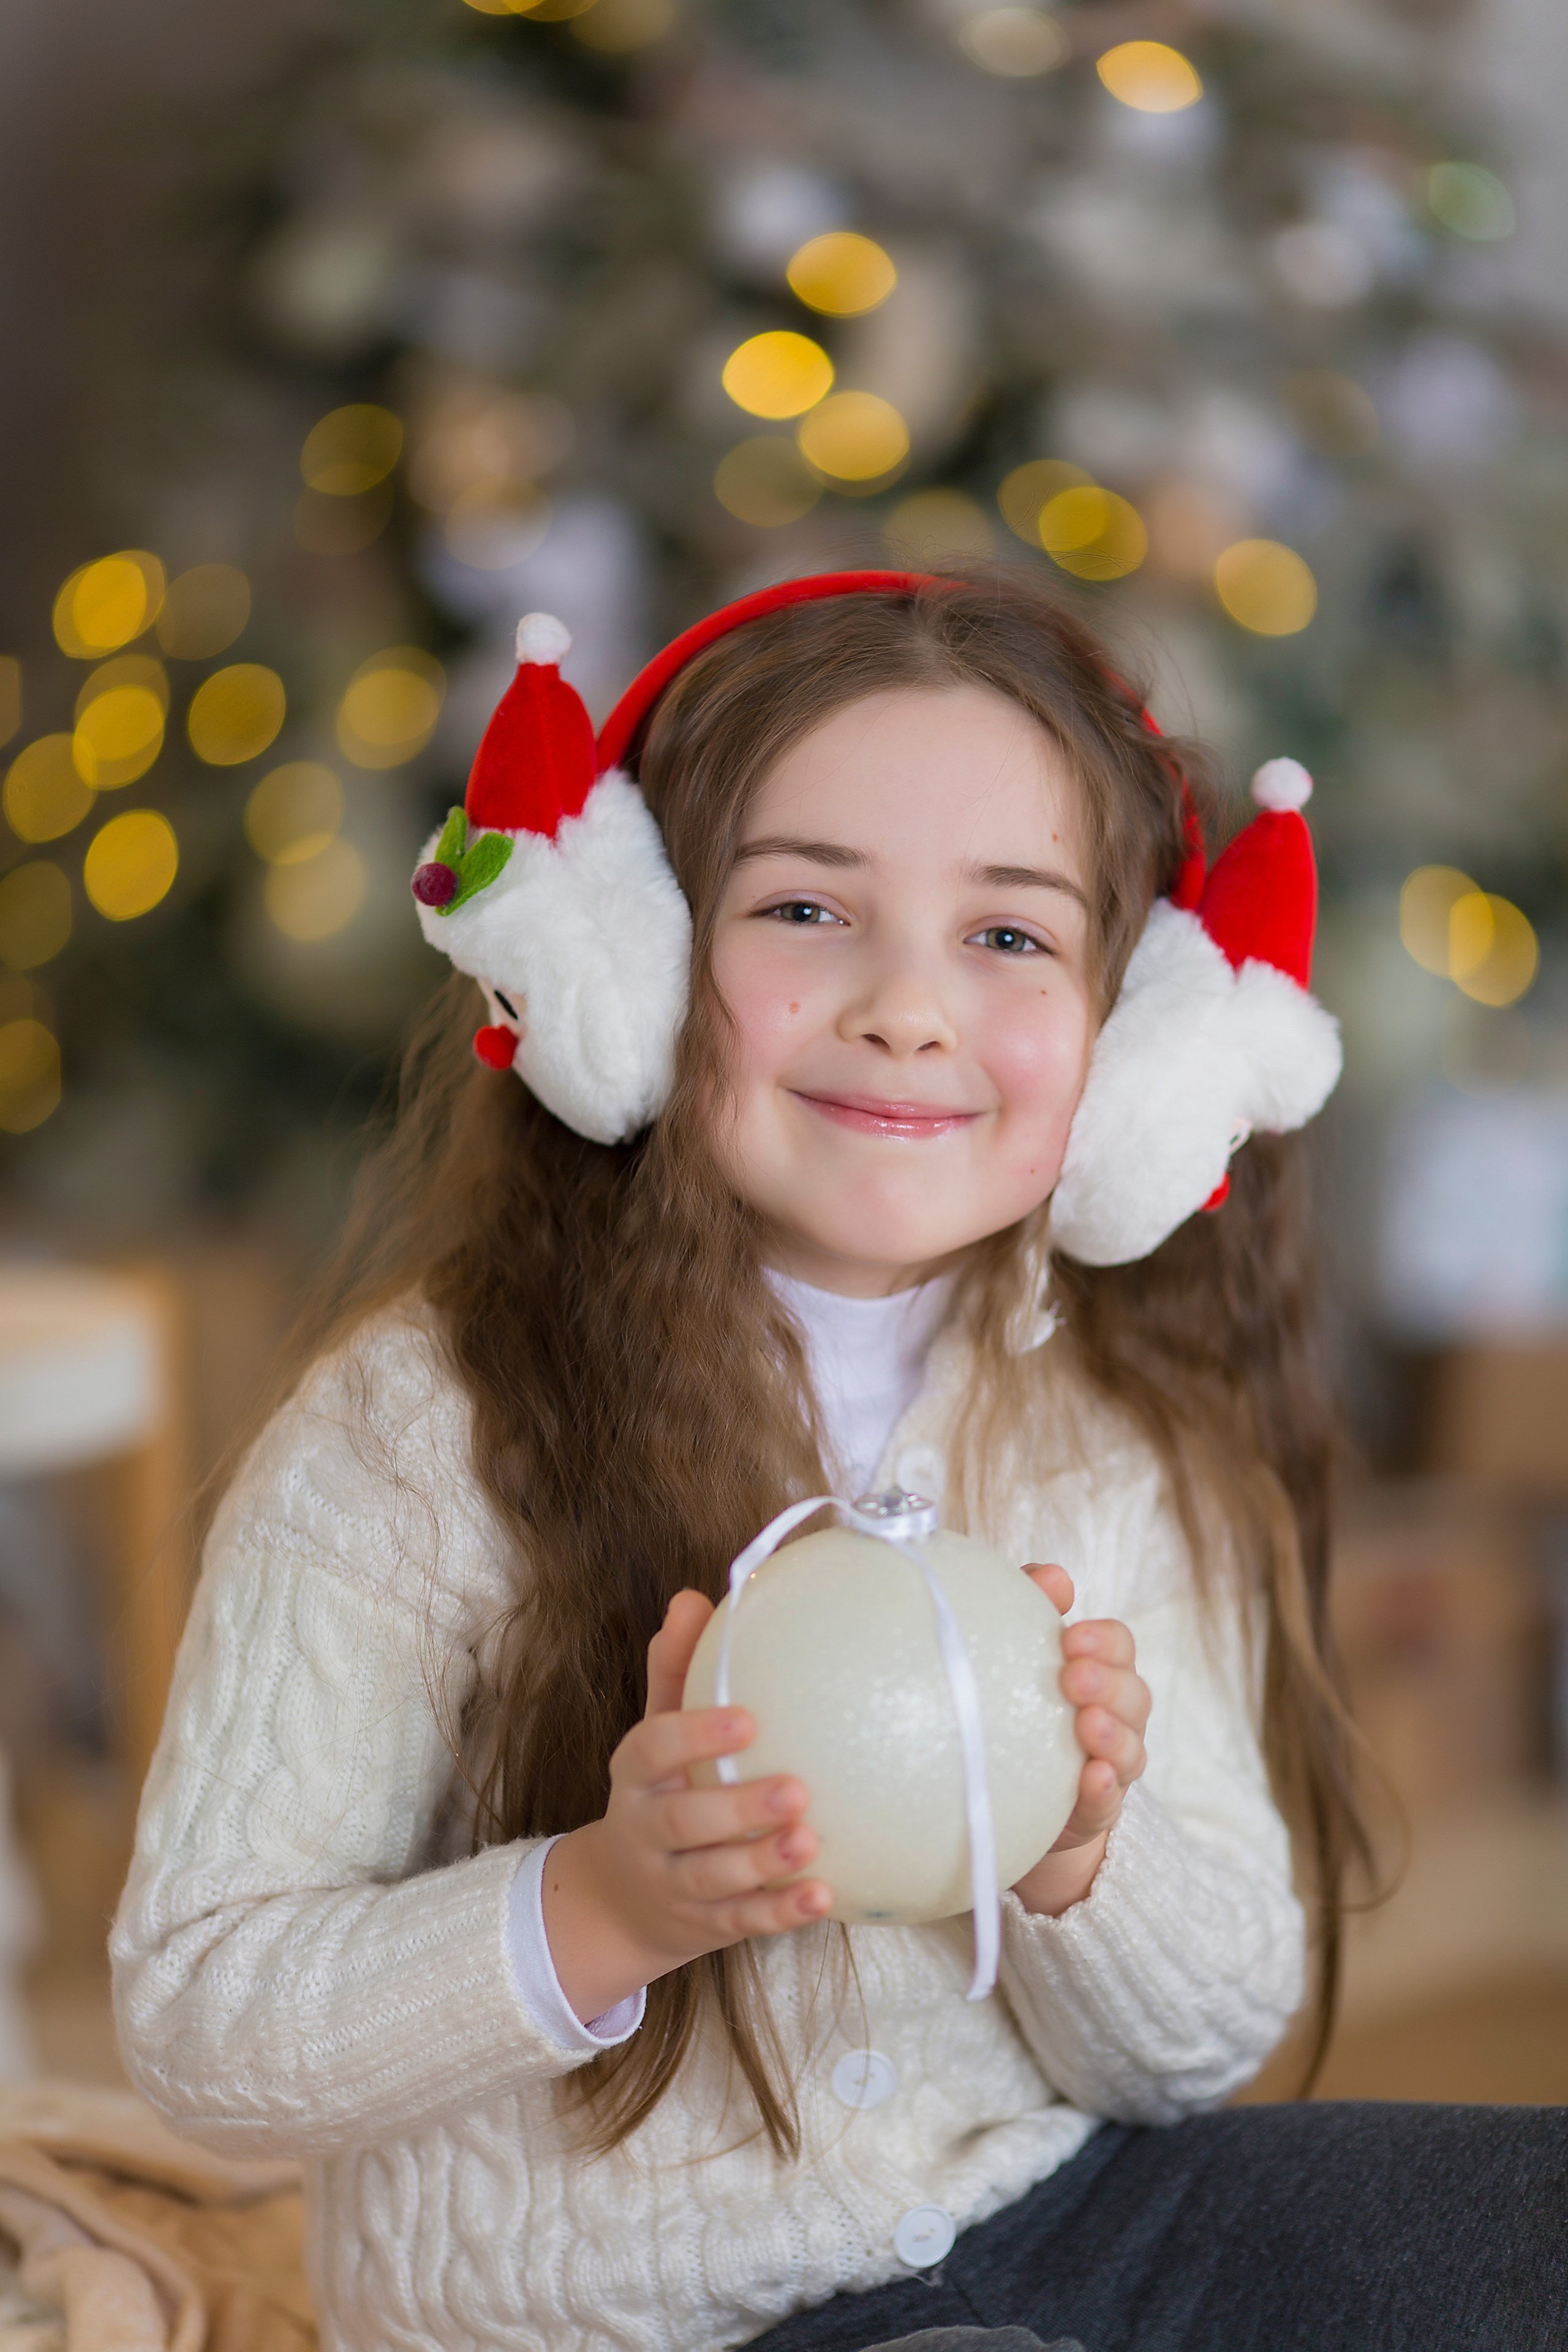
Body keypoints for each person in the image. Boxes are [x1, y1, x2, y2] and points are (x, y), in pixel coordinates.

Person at [111, 572, 1564, 2352]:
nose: (908, 1006)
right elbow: (203, 2022)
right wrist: (605, 1902)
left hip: (1050, 2218)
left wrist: (1079, 1856)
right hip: (646, 2325)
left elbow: (1207, 2038)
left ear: (1134, 1043)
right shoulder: (421, 1433)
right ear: (631, 968)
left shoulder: (1108, 1438)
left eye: (1012, 937)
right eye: (807, 907)